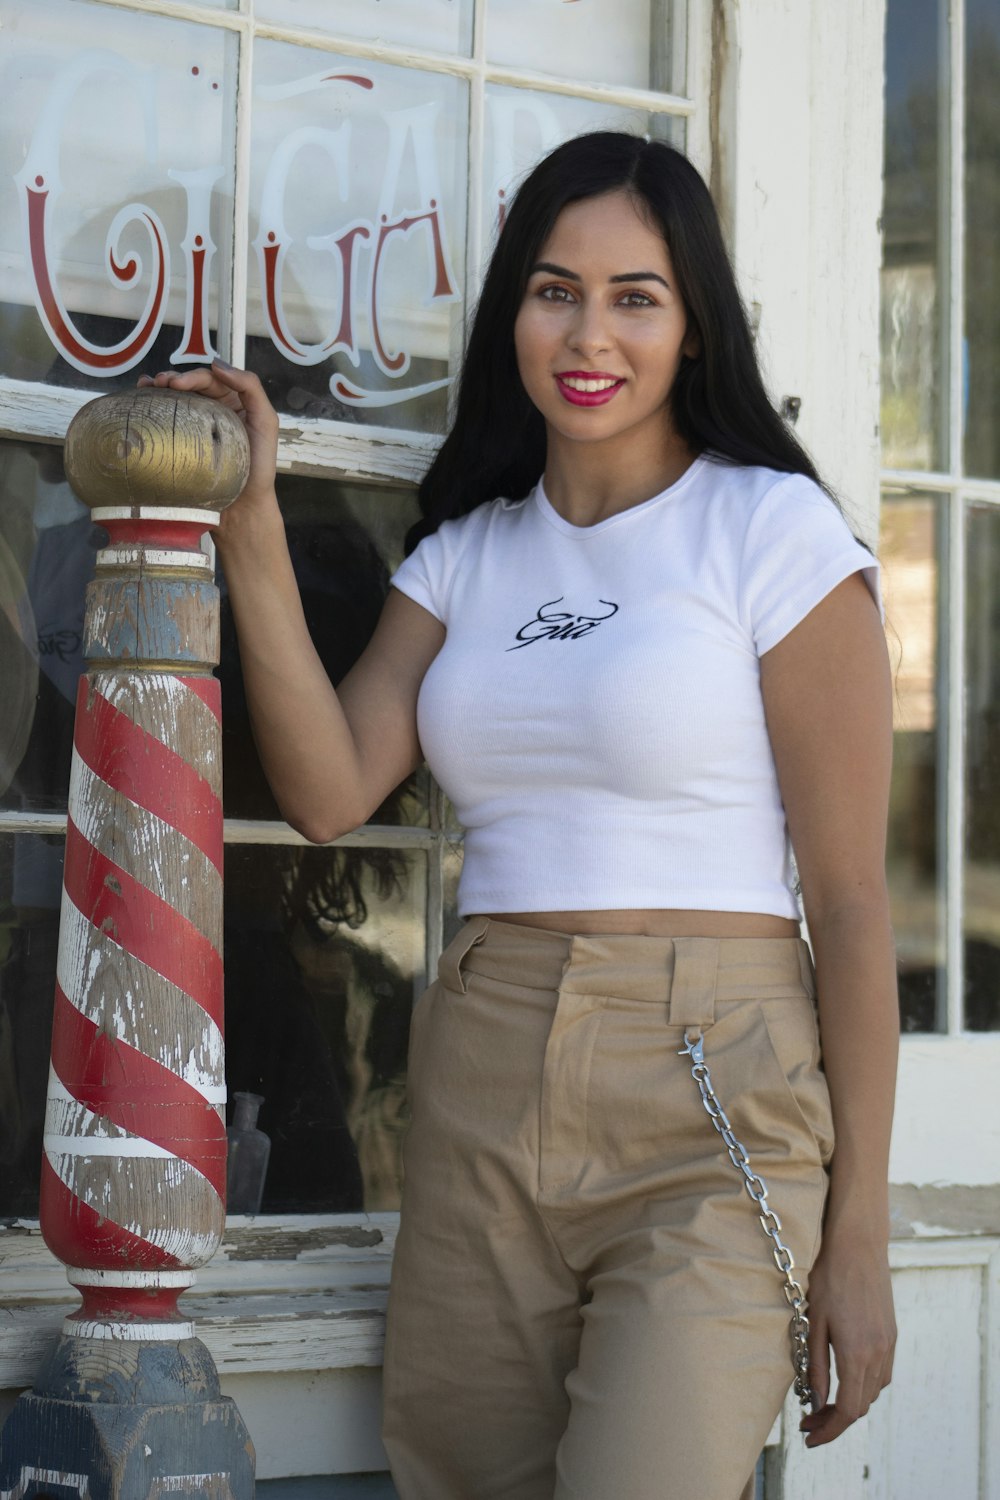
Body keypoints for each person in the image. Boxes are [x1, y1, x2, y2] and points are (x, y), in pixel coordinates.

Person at [140, 130, 898, 1500]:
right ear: (512, 316)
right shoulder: (468, 554)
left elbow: (849, 903)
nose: (589, 333)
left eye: (635, 297)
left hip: (716, 1080)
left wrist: (861, 1238)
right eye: (556, 291)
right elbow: (324, 791)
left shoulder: (773, 536)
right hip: (486, 1065)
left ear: (693, 325)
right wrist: (252, 523)